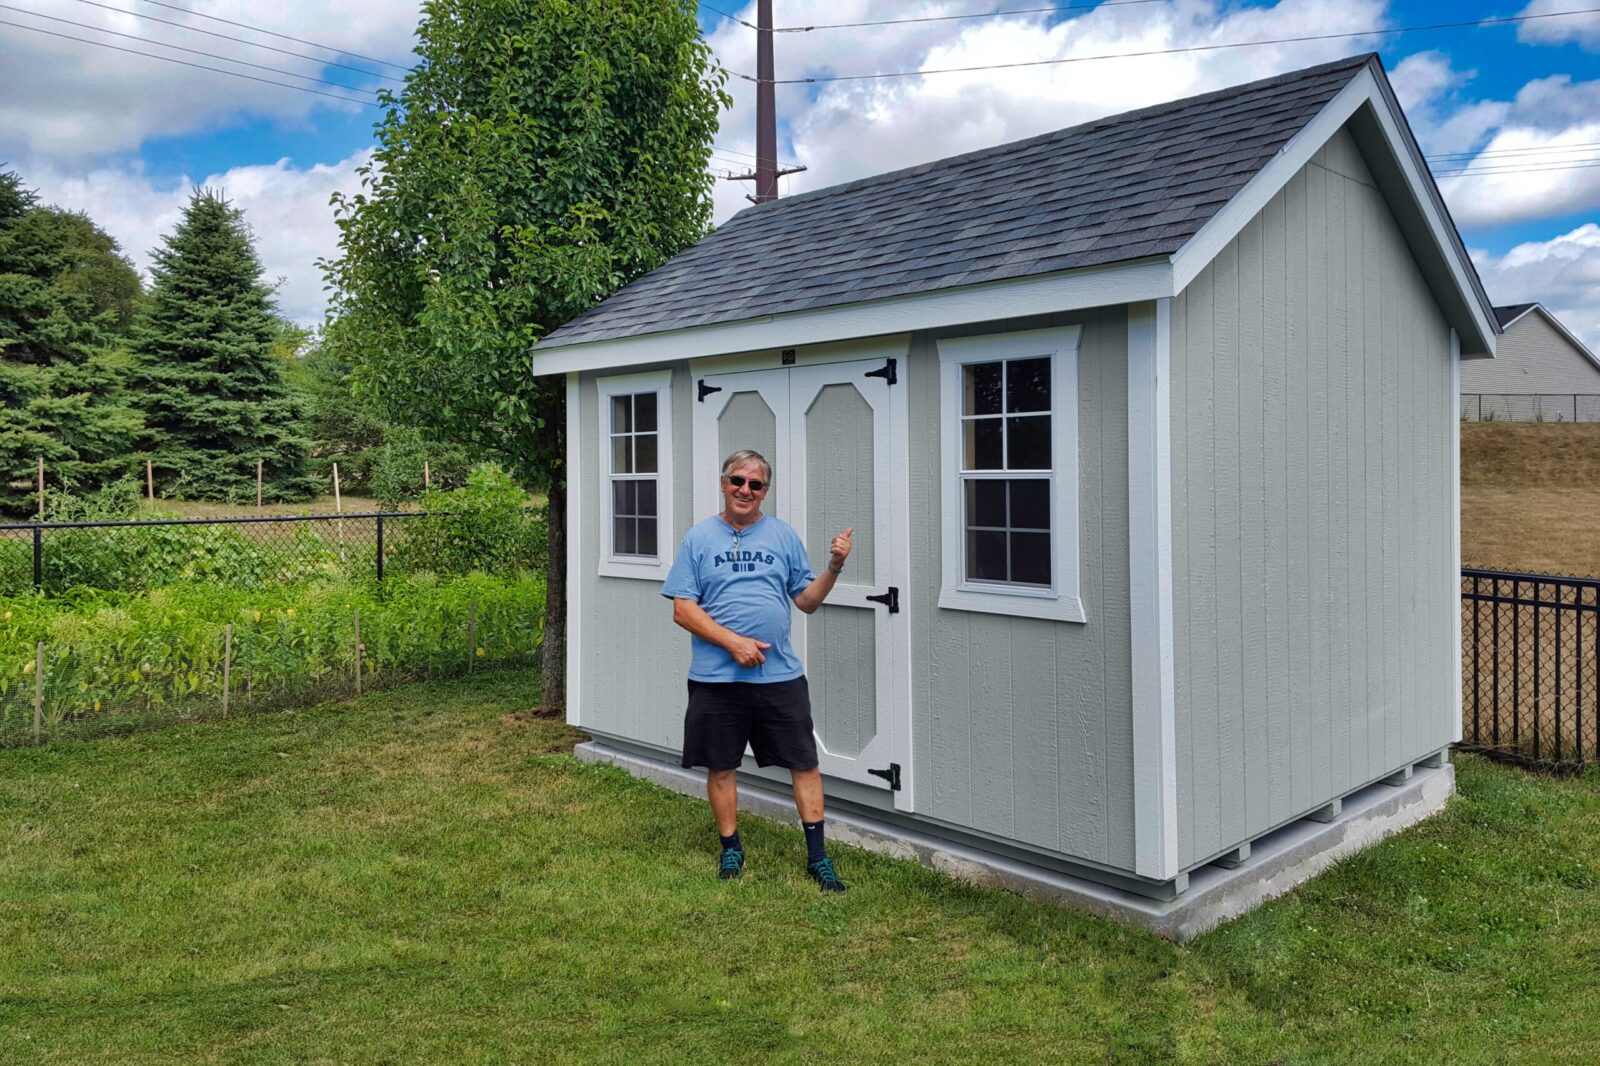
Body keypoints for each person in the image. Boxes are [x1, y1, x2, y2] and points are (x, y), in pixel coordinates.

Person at [661, 449, 854, 892]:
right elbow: (682, 610)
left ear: (765, 491)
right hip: (716, 679)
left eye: (756, 484)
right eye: (737, 481)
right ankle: (731, 848)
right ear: (724, 483)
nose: (745, 490)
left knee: (804, 763)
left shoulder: (783, 537)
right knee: (721, 765)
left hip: (779, 677)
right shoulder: (699, 539)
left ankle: (818, 859)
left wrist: (835, 567)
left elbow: (806, 601)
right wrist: (735, 643)